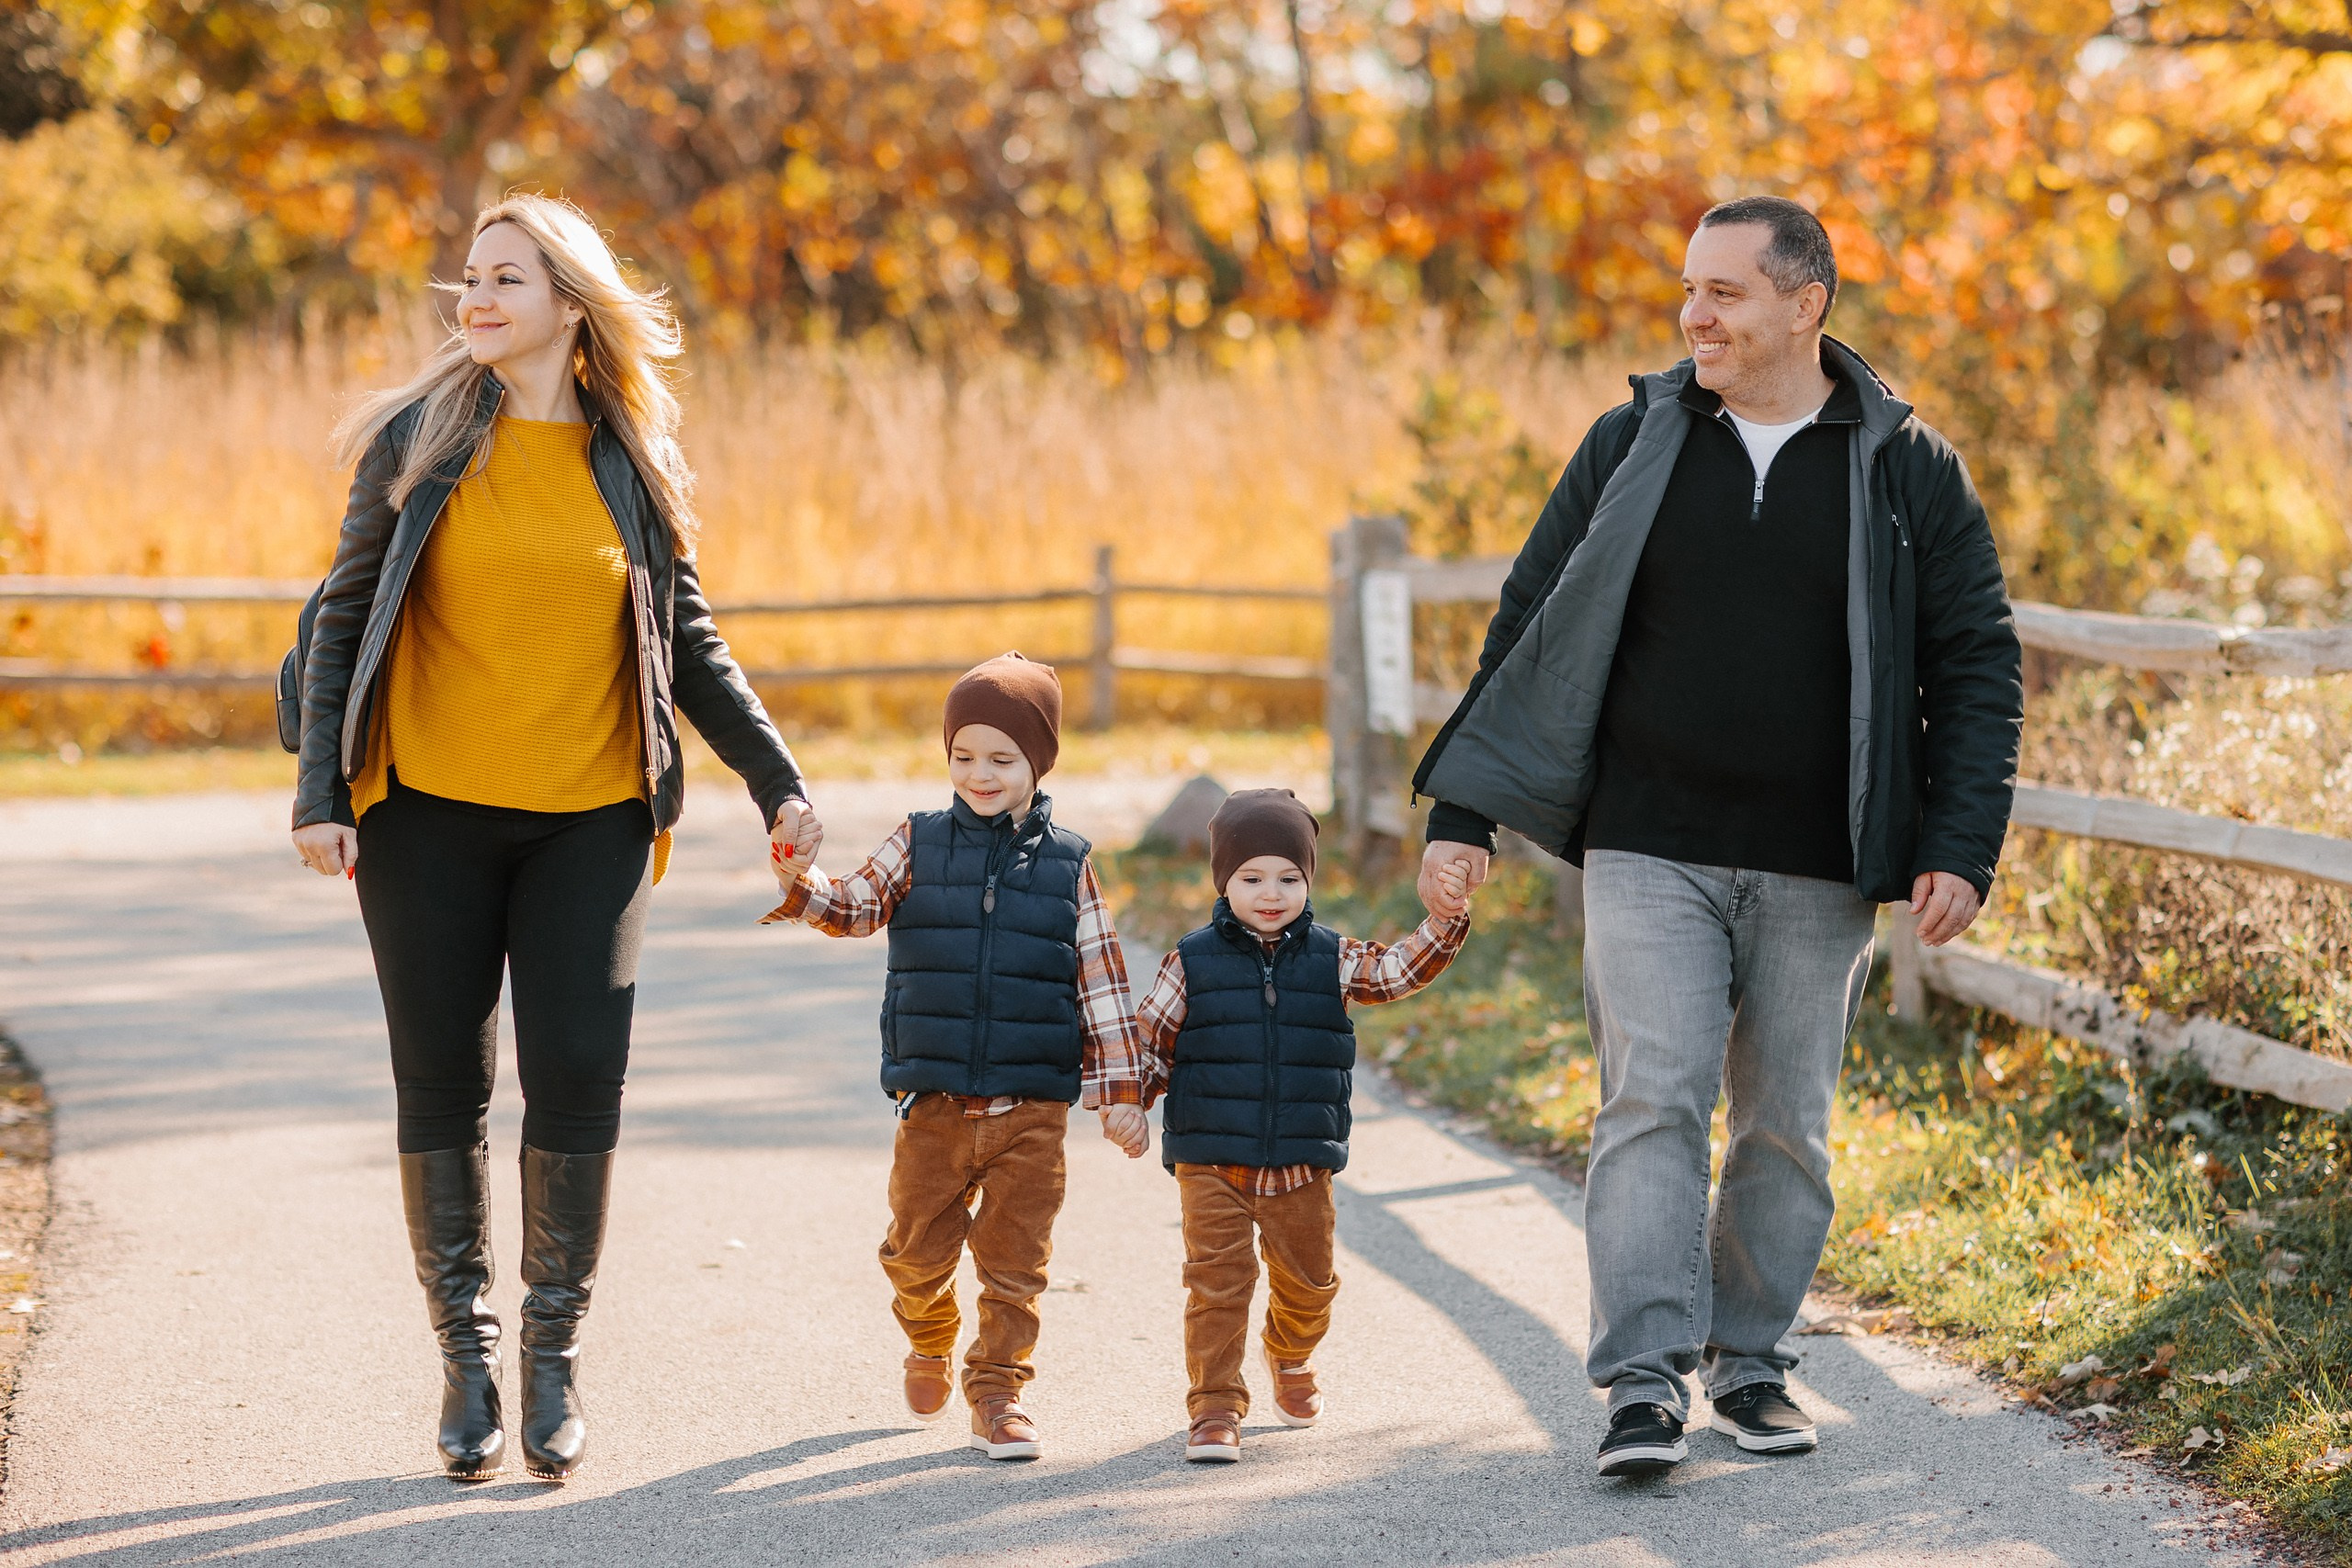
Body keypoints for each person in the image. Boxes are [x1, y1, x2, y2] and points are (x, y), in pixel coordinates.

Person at [1412, 196, 2022, 1477]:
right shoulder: (1633, 440)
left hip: (1821, 857)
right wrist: (1466, 813)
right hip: (1649, 839)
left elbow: (1975, 658)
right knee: (1652, 1099)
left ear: (1806, 305)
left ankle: (1751, 1362)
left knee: (1785, 1122)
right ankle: (1642, 1384)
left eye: (1725, 292)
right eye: (1689, 289)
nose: (1695, 315)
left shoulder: (1906, 463)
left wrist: (1961, 842)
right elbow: (1530, 617)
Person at [289, 194, 817, 1483]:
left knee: (579, 1075)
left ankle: (551, 1355)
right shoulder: (420, 441)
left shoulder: (628, 458)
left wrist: (776, 780)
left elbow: (688, 638)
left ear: (571, 305)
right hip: (424, 813)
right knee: (442, 1083)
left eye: (507, 278)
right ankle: (466, 1360)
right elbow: (344, 615)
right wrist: (320, 794)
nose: (475, 298)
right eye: (470, 277)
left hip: (594, 816)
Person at [762, 652, 1147, 1461]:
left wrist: (1121, 1092)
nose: (980, 773)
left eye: (1002, 758)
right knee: (914, 1254)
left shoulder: (1069, 864)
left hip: (1031, 1110)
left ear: (1038, 763)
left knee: (1016, 1268)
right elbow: (855, 905)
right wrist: (802, 878)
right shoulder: (918, 841)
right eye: (963, 755)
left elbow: (1103, 981)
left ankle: (998, 1393)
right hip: (933, 1105)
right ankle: (929, 1330)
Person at [1133, 788, 1470, 1463]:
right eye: (1251, 877)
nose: (1271, 893)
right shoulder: (1190, 960)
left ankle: (1289, 1353)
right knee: (1217, 1286)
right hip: (1211, 1158)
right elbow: (1151, 1041)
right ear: (1223, 881)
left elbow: (1395, 972)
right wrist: (1125, 1101)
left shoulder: (1333, 957)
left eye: (1289, 877)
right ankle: (1215, 1406)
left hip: (1302, 1162)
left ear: (1309, 880)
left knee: (1310, 1285)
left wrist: (1444, 919)